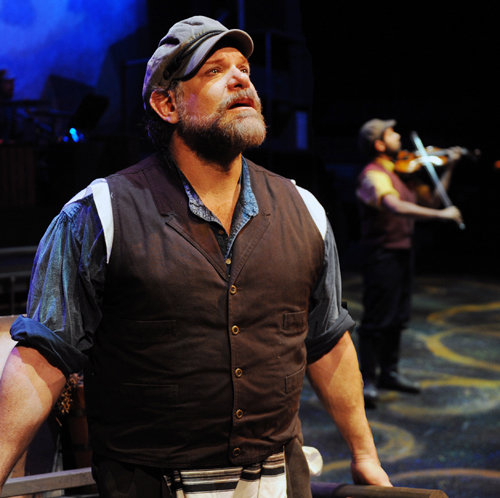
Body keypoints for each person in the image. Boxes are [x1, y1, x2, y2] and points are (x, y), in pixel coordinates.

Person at [0, 17, 392, 497]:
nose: (241, 77)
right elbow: (44, 356)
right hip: (150, 485)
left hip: (279, 480)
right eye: (213, 70)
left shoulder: (304, 207)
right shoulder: (98, 214)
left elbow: (328, 340)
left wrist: (365, 455)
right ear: (166, 104)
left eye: (244, 67)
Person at [356, 118, 463, 408]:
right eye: (392, 133)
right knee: (376, 320)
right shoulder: (373, 174)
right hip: (381, 254)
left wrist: (449, 167)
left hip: (403, 251)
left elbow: (431, 204)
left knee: (398, 317)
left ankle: (389, 373)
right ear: (379, 144)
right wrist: (443, 217)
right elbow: (394, 206)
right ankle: (368, 381)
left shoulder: (405, 174)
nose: (398, 136)